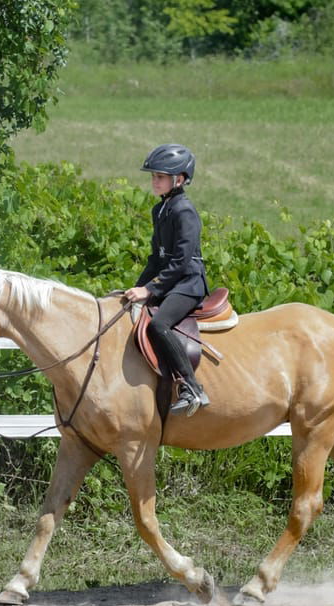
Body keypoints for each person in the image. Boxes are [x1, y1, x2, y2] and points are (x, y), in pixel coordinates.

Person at [124, 143, 210, 417]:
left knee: (159, 324)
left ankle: (192, 387)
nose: (154, 181)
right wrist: (137, 288)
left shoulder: (184, 210)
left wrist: (150, 290)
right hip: (171, 279)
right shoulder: (160, 210)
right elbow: (156, 260)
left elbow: (180, 262)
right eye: (153, 176)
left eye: (159, 177)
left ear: (180, 179)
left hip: (187, 283)